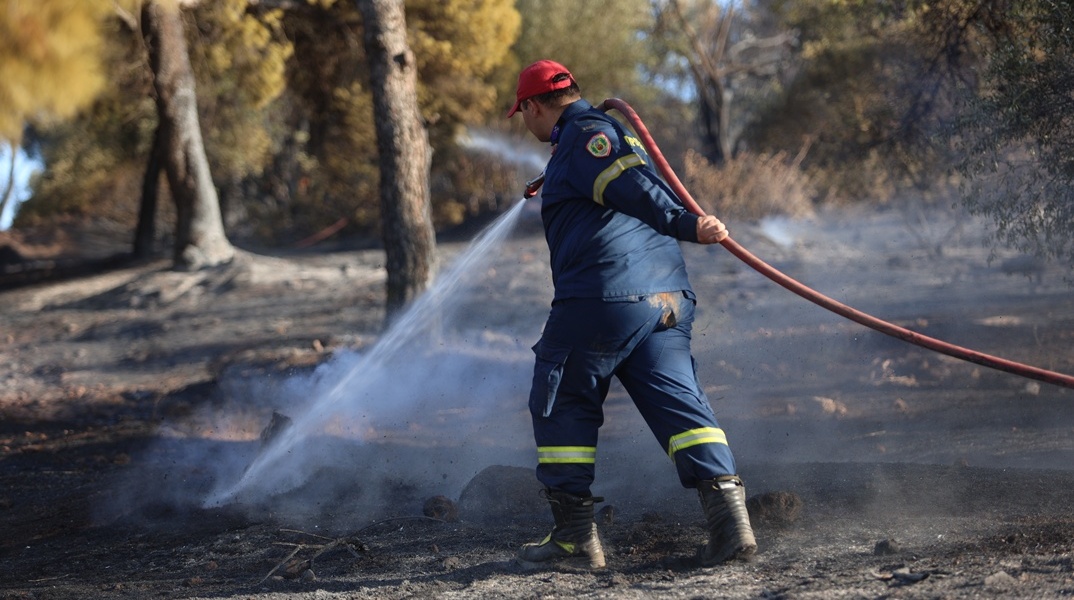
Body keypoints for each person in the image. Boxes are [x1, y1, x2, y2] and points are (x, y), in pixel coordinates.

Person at [506, 59, 756, 570]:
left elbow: (639, 191)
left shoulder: (588, 135)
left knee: (559, 398)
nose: (523, 122)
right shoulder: (597, 136)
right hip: (665, 301)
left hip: (602, 300)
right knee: (679, 405)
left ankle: (575, 540)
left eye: (521, 112)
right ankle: (731, 526)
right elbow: (632, 184)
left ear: (532, 105)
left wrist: (687, 225)